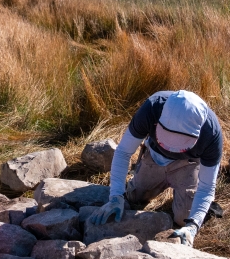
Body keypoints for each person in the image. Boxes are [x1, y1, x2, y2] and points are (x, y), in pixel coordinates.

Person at [89, 89, 222, 247]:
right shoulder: (152, 108)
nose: (171, 148)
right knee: (133, 198)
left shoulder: (211, 132)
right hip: (154, 157)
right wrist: (116, 196)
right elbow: (123, 152)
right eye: (167, 138)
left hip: (188, 164)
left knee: (183, 218)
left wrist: (193, 226)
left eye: (179, 143)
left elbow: (207, 187)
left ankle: (193, 199)